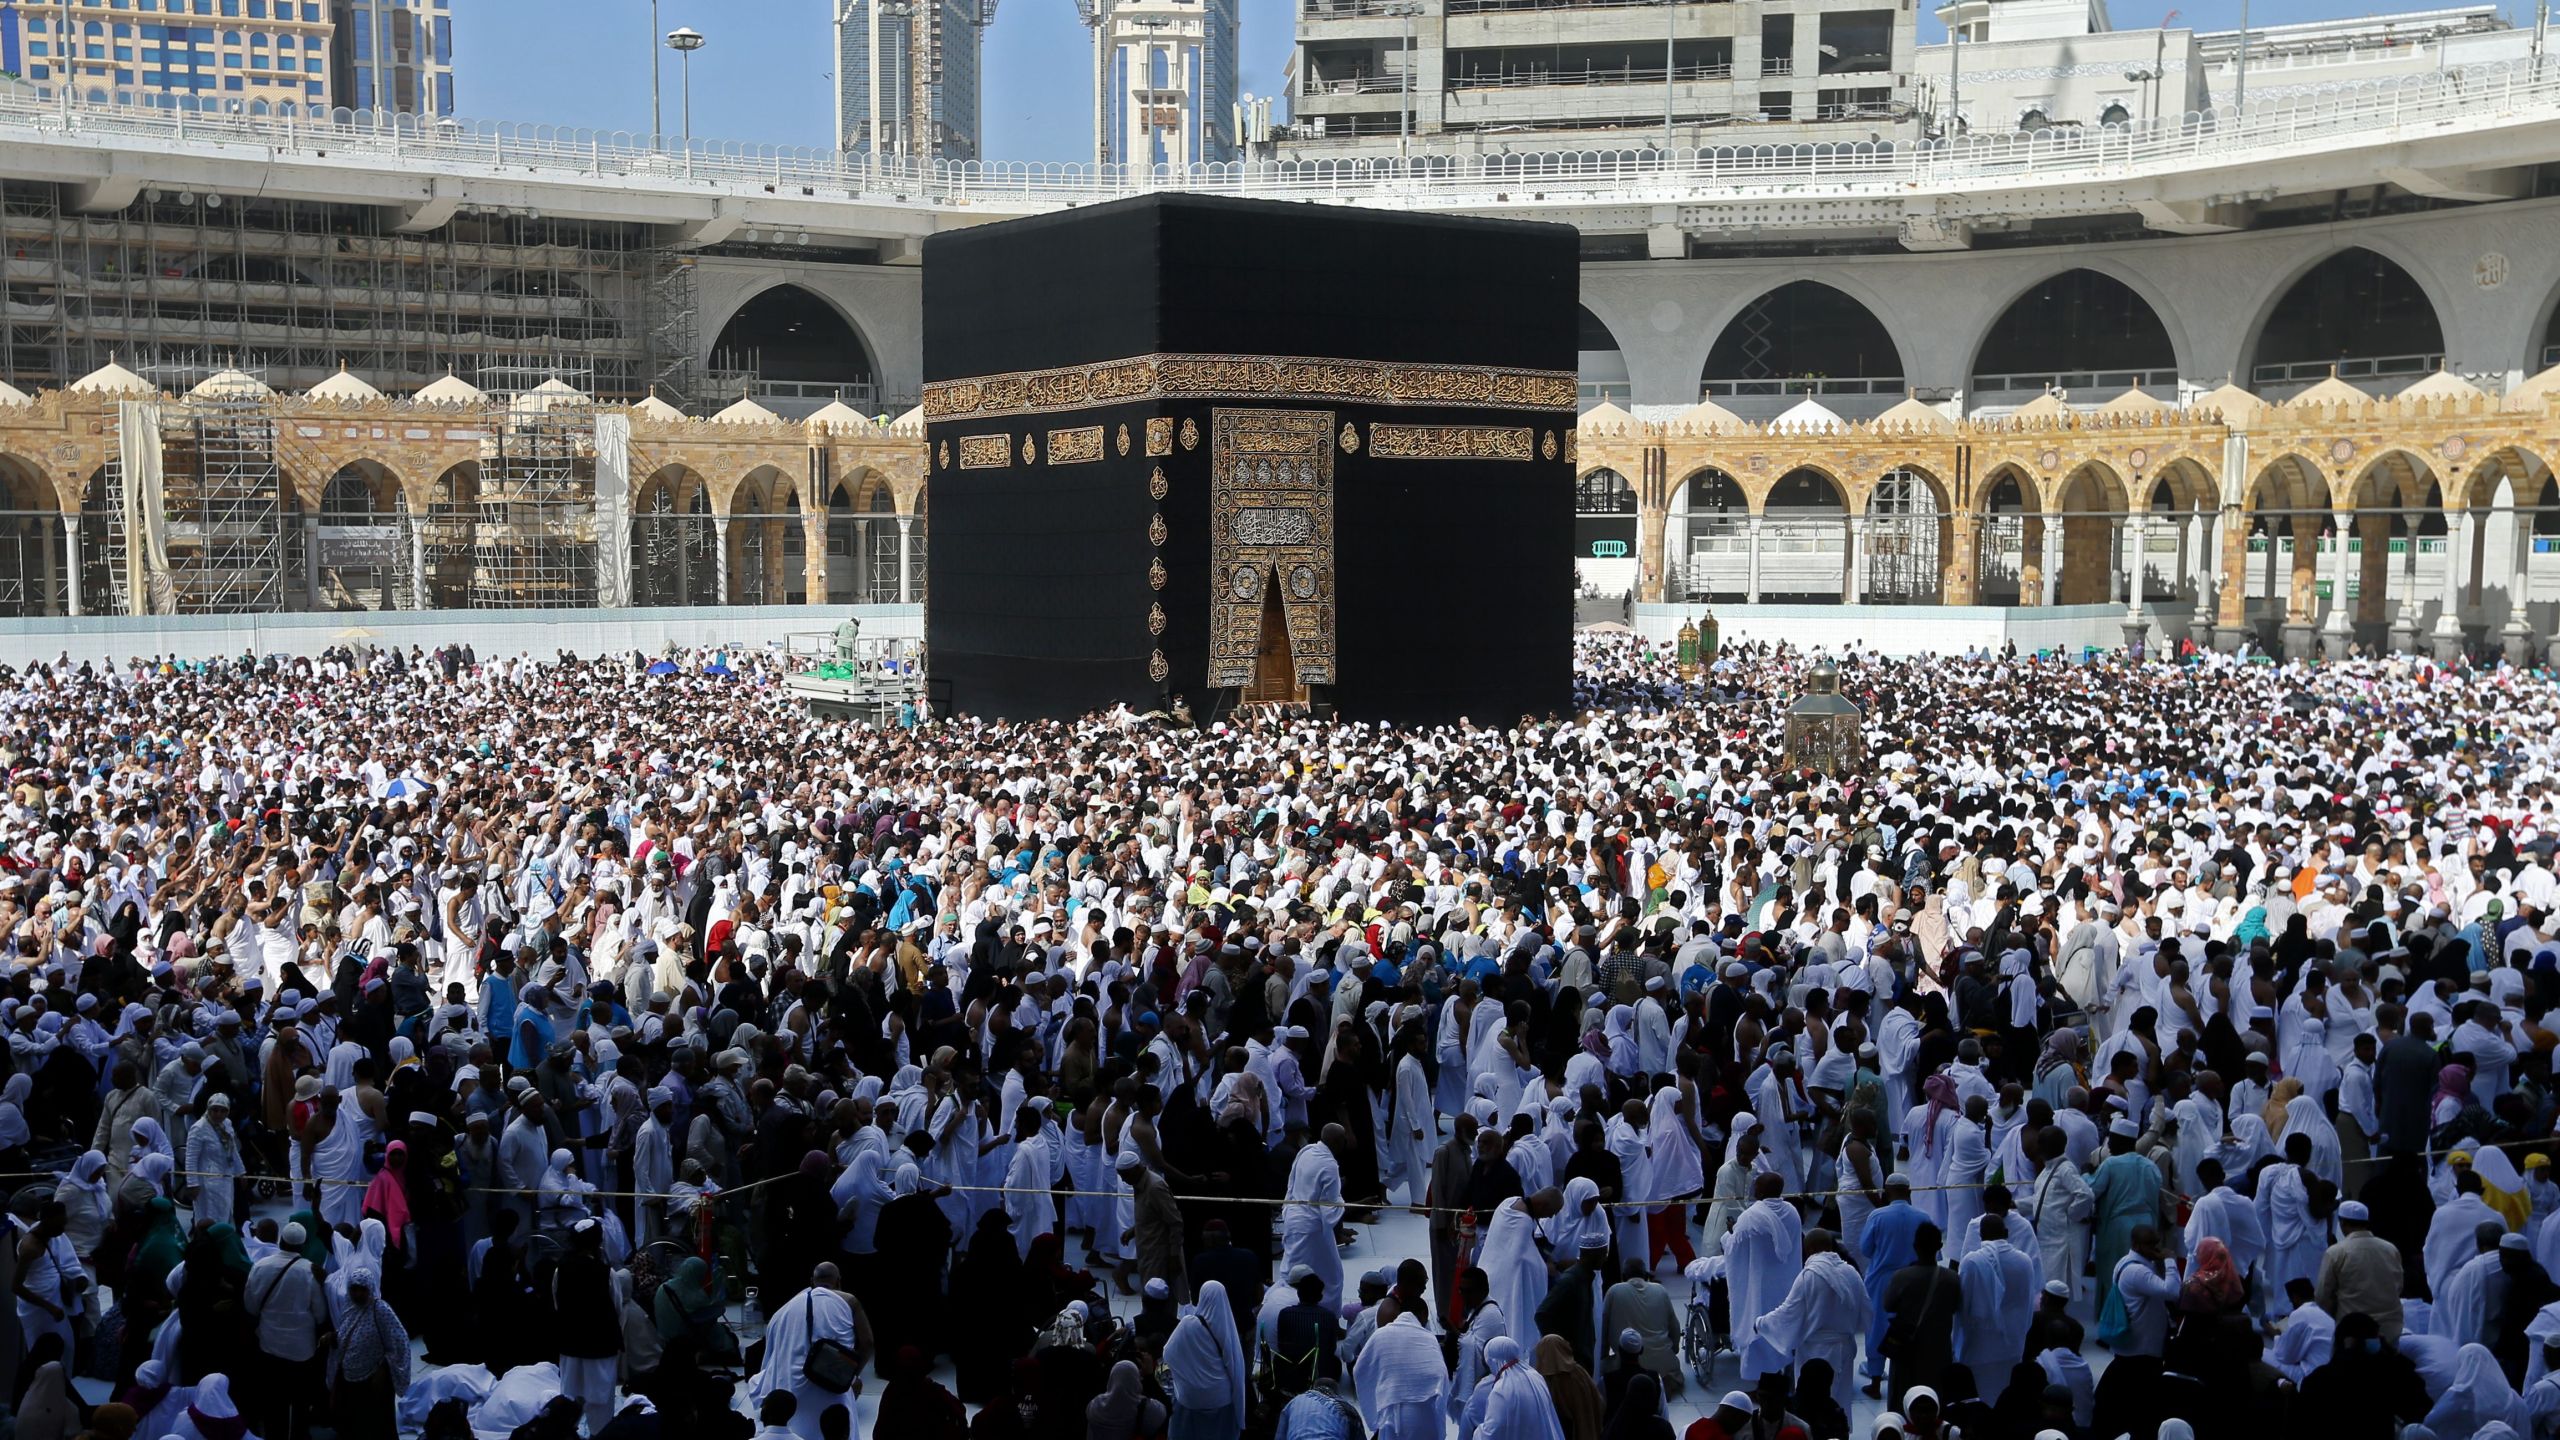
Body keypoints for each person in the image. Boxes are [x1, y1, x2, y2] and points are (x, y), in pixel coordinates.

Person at [1746, 1230, 1869, 1418]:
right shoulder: (1851, 1272)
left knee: (1812, 1401)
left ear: (1809, 1249)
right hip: (1844, 1348)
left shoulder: (1809, 1276)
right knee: (1839, 1400)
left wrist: (1762, 1323)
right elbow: (1867, 1309)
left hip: (1815, 1351)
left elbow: (1788, 1311)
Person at [1351, 1295, 1446, 1440]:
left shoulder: (1380, 1335)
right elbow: (1441, 1376)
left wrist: (1376, 1405)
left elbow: (1360, 1371)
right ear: (1422, 1314)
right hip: (1426, 1414)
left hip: (1392, 1415)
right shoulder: (1429, 1338)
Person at [1164, 1279, 1249, 1440]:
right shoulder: (1227, 1328)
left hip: (1190, 1398)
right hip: (1220, 1398)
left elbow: (1168, 1352)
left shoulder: (1188, 1324)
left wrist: (1187, 1374)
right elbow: (1235, 1366)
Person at [332, 1270, 409, 1440]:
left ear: (371, 1289)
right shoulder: (350, 1309)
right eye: (354, 1289)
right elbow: (346, 1334)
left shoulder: (380, 1310)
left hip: (373, 1383)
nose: (358, 1294)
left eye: (363, 1289)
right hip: (350, 1380)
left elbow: (400, 1341)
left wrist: (385, 1367)